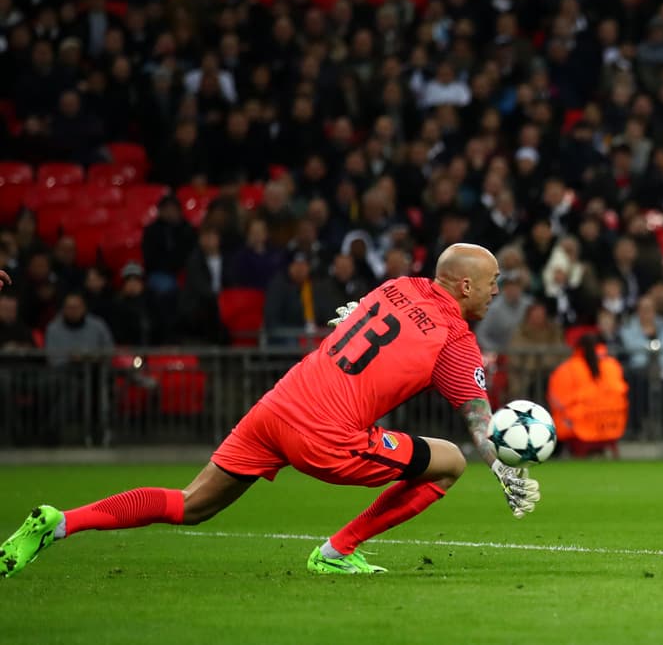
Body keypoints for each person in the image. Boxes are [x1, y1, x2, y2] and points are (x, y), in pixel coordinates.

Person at [0, 244, 542, 578]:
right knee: (448, 462)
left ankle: (60, 522)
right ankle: (337, 550)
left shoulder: (398, 286)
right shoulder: (455, 338)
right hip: (326, 434)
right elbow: (476, 415)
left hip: (278, 406)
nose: (497, 293)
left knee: (192, 504)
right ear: (466, 284)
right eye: (494, 283)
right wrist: (501, 463)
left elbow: (367, 321)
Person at [546, 332, 629, 458]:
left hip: (579, 428)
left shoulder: (566, 369)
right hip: (613, 425)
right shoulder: (613, 365)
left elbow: (556, 401)